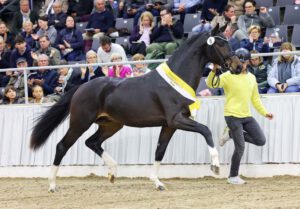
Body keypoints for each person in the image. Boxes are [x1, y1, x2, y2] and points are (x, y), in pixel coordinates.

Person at [206, 48, 273, 184]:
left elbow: (255, 99)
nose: (239, 64)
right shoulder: (227, 76)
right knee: (240, 147)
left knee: (261, 140)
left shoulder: (252, 78)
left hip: (246, 116)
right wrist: (214, 70)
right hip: (232, 116)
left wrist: (265, 113)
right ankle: (233, 176)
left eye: (242, 62)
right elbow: (211, 84)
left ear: (247, 63)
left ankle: (230, 135)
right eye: (237, 61)